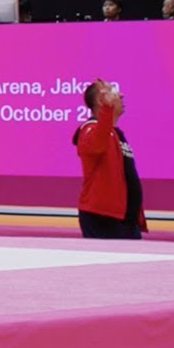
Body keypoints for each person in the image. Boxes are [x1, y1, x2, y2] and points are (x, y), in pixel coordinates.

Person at [73, 79, 146, 239]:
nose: (121, 94)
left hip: (126, 220)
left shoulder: (116, 133)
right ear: (101, 100)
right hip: (103, 219)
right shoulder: (88, 129)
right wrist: (107, 109)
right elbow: (97, 143)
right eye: (113, 92)